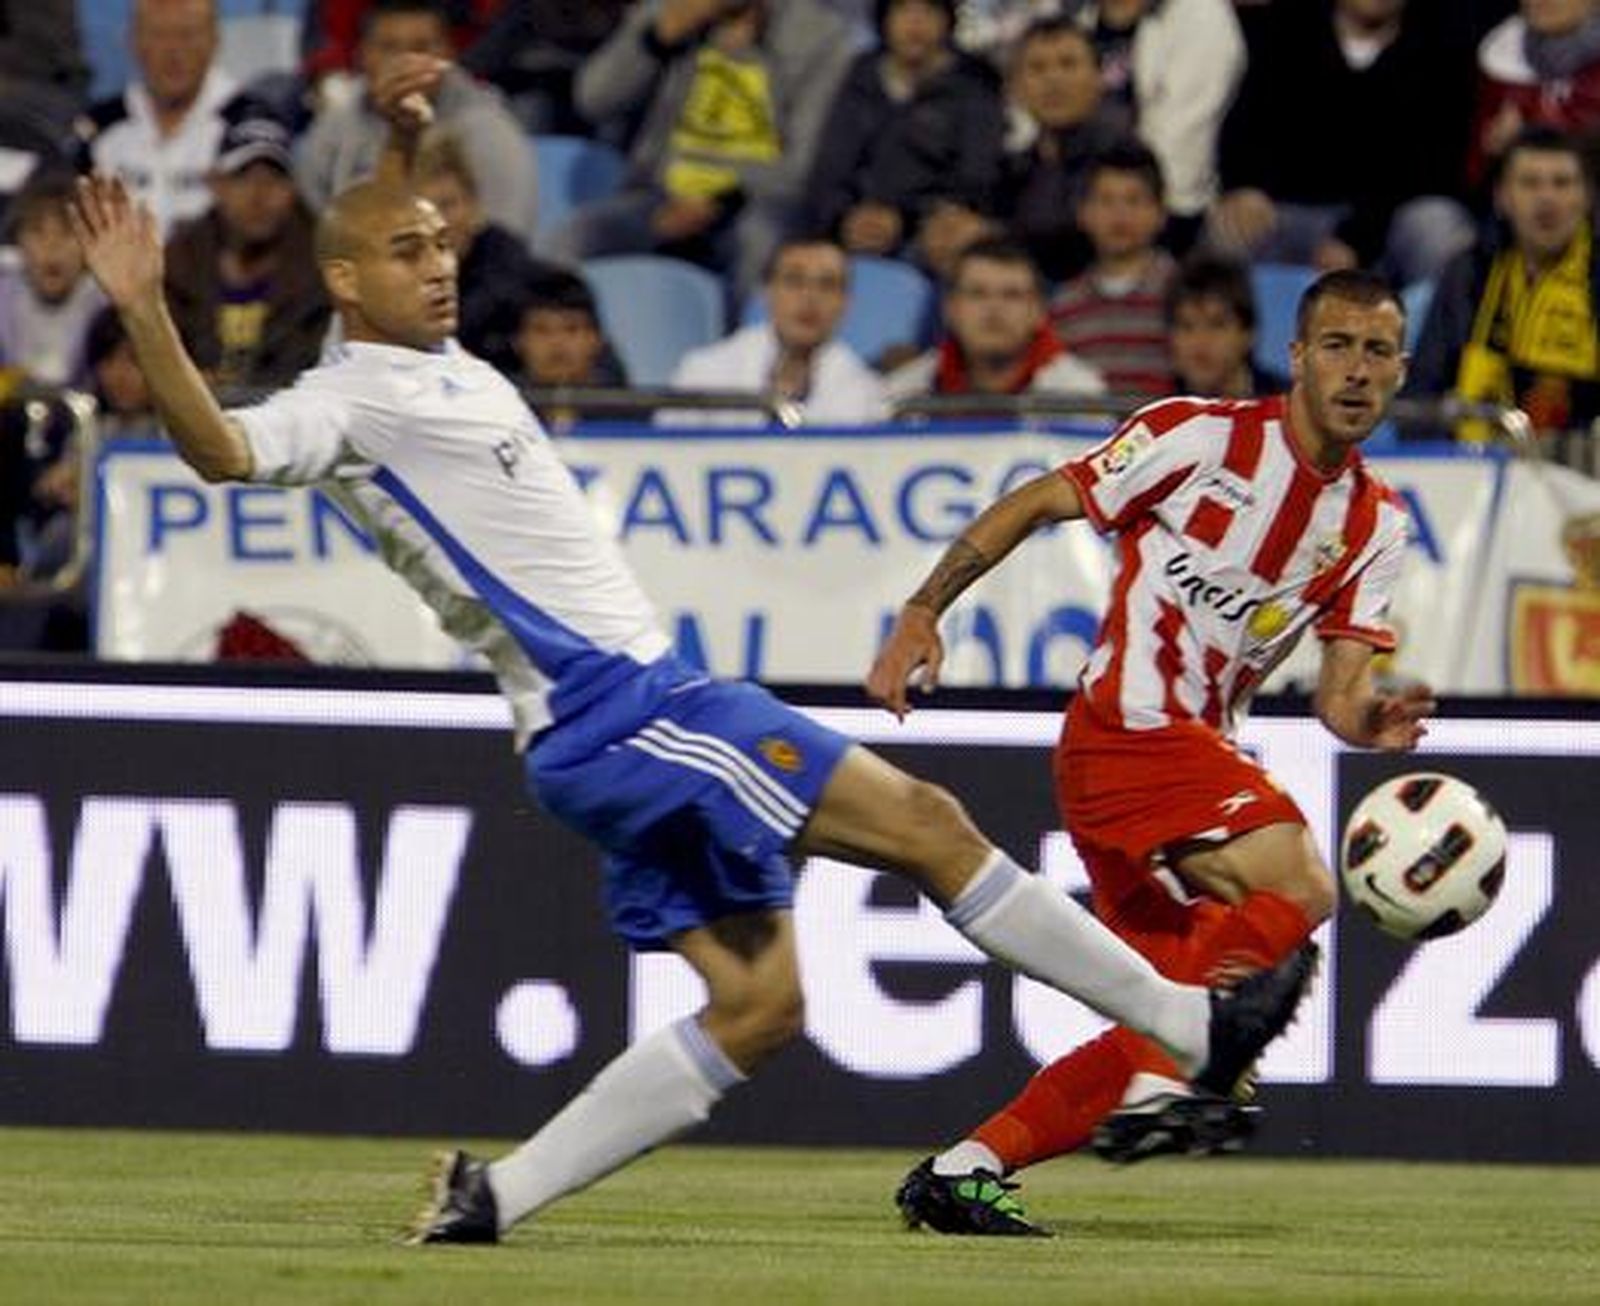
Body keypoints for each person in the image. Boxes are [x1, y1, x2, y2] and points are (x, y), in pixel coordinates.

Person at [69, 67, 1316, 1247]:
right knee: (930, 823)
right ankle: (1183, 1023)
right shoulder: (344, 405)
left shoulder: (417, 355)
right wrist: (138, 300)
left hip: (597, 731)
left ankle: (489, 1202)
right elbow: (223, 451)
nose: (440, 261)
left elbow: (387, 228)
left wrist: (399, 140)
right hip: (625, 710)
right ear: (344, 280)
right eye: (407, 252)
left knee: (762, 1009)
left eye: (442, 239)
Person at [868, 268, 1432, 1236]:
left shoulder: (1373, 524)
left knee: (1160, 1012)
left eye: (1377, 351)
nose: (1355, 370)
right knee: (1301, 884)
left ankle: (963, 1169)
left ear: (1400, 370)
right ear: (1295, 358)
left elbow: (1339, 694)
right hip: (1124, 731)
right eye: (1335, 345)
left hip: (1179, 761)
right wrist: (923, 608)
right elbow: (1037, 503)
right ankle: (1173, 1075)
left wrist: (1366, 718)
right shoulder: (1196, 435)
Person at [553, 0, 855, 302]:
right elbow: (592, 100)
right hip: (659, 194)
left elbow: (802, 165)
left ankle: (740, 346)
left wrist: (720, 198)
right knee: (575, 237)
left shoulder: (822, 36)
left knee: (759, 243)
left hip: (754, 200)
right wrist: (656, 40)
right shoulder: (666, 11)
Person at [1209, 0, 1477, 287]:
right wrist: (1246, 186)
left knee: (1440, 228)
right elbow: (1245, 126)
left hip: (1388, 223)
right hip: (1296, 213)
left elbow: (1427, 169)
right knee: (1226, 231)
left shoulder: (1441, 51)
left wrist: (1356, 239)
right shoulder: (1285, 31)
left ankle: (1437, 332)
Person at [1405, 125, 1600, 441]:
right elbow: (1419, 397)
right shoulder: (1469, 270)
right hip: (1472, 464)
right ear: (1503, 196)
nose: (1547, 198)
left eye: (1562, 183)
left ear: (1587, 196)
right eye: (1530, 183)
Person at [296, 0, 538, 241]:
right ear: (362, 55)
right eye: (389, 47)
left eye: (422, 48)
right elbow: (311, 233)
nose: (406, 62)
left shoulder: (490, 133)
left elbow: (506, 242)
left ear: (449, 54)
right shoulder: (333, 131)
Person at [807, 0, 1006, 276]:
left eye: (928, 10)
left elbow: (977, 179)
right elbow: (830, 167)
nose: (915, 23)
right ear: (884, 19)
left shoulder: (976, 84)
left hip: (930, 232)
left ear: (947, 20)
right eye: (903, 10)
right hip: (853, 227)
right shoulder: (860, 75)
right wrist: (845, 218)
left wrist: (904, 219)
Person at [164, 108, 330, 391]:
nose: (259, 195)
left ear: (292, 190)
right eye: (243, 176)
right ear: (217, 184)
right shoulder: (179, 267)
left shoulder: (323, 275)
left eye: (275, 179)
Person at [666, 235, 889, 426]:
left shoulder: (867, 393)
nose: (810, 298)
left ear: (846, 302)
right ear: (768, 292)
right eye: (794, 281)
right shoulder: (703, 372)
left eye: (827, 285)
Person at [76, 0, 239, 240]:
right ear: (132, 41)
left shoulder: (248, 127)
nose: (173, 51)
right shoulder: (99, 126)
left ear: (215, 41)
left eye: (187, 34)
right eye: (158, 35)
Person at [411, 128, 567, 377]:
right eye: (424, 210)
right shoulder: (393, 287)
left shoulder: (531, 280)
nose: (439, 222)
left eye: (448, 205)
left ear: (474, 206)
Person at [885, 236, 1106, 408]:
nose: (994, 309)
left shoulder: (1081, 394)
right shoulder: (902, 394)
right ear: (950, 309)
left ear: (1038, 313)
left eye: (1012, 295)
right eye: (977, 294)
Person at [1049, 141, 1176, 399]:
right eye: (1106, 201)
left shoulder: (1183, 291)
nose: (1120, 215)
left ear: (1161, 212)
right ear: (1083, 213)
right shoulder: (1064, 305)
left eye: (1134, 200)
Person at [0, 168, 104, 388]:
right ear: (17, 240)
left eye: (67, 232)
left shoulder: (107, 306)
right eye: (38, 232)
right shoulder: (4, 298)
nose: (52, 246)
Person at [1166, 254, 1285, 399]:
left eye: (1217, 325)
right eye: (1186, 327)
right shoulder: (1158, 412)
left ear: (1248, 334)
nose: (1200, 341)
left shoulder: (1287, 406)